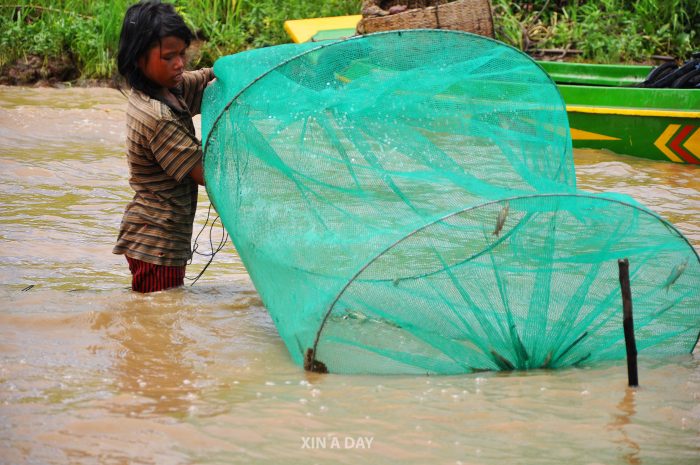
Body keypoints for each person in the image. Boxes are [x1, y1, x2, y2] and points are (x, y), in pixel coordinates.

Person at [113, 0, 215, 293]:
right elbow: (205, 172)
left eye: (182, 54)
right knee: (157, 320)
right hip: (156, 245)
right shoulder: (154, 117)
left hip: (158, 240)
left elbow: (210, 79)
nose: (180, 64)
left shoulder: (171, 87)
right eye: (169, 56)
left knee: (159, 312)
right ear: (137, 59)